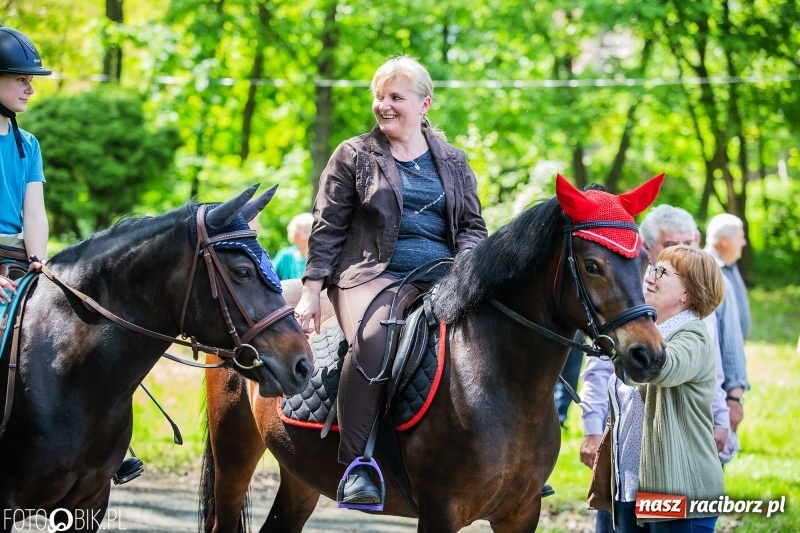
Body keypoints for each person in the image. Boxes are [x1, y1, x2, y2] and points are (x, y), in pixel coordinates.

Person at [295, 55, 488, 505]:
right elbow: (328, 227)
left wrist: (469, 269)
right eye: (379, 97)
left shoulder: (454, 162)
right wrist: (310, 291)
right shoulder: (354, 154)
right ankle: (357, 464)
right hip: (370, 274)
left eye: (395, 97)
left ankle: (506, 460)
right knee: (375, 340)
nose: (384, 105)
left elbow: (472, 228)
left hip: (443, 276)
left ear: (424, 104)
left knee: (496, 337)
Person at [613, 245, 725, 531]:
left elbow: (661, 368)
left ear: (687, 294)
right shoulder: (649, 332)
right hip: (631, 484)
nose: (651, 276)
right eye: (652, 268)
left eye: (662, 272)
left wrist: (619, 327)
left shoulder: (694, 335)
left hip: (680, 488)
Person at [0, 26, 50, 301]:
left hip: (13, 258)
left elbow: (34, 215)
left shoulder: (29, 145)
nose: (30, 89)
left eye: (31, 80)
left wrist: (37, 259)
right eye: (21, 79)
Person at [704, 213, 750, 432]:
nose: (744, 242)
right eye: (740, 236)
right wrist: (734, 394)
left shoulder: (730, 266)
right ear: (723, 240)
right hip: (716, 379)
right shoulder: (710, 270)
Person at [273, 212, 313, 280]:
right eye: (304, 231)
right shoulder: (285, 256)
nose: (306, 236)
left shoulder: (321, 257)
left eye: (308, 231)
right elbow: (270, 278)